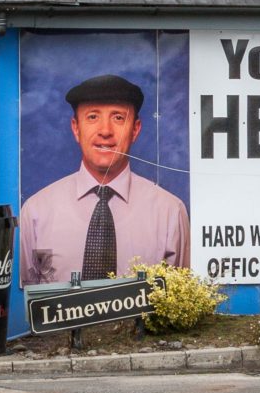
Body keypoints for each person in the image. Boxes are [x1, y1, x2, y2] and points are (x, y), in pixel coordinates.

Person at [19, 73, 189, 284]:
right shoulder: (36, 212)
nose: (105, 131)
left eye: (118, 117)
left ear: (135, 130)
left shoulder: (170, 213)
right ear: (76, 128)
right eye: (92, 117)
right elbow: (32, 301)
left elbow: (177, 304)